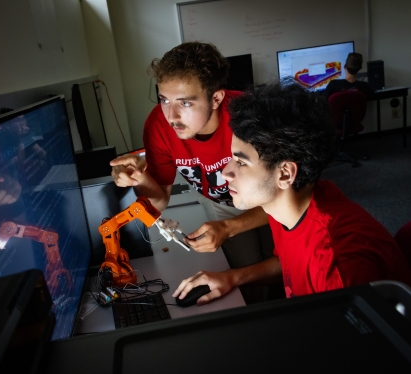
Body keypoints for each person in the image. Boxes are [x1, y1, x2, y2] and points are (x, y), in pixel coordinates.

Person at [174, 80, 411, 305]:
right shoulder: (291, 204)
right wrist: (232, 277)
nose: (226, 172)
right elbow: (287, 262)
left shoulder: (337, 268)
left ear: (285, 174)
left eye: (241, 162)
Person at [110, 42, 276, 303]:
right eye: (164, 100)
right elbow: (159, 201)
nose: (171, 115)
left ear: (216, 98)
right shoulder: (158, 126)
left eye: (185, 102)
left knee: (278, 258)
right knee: (244, 270)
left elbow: (281, 193)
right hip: (222, 201)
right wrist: (140, 179)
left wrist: (230, 227)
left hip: (267, 197)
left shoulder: (249, 115)